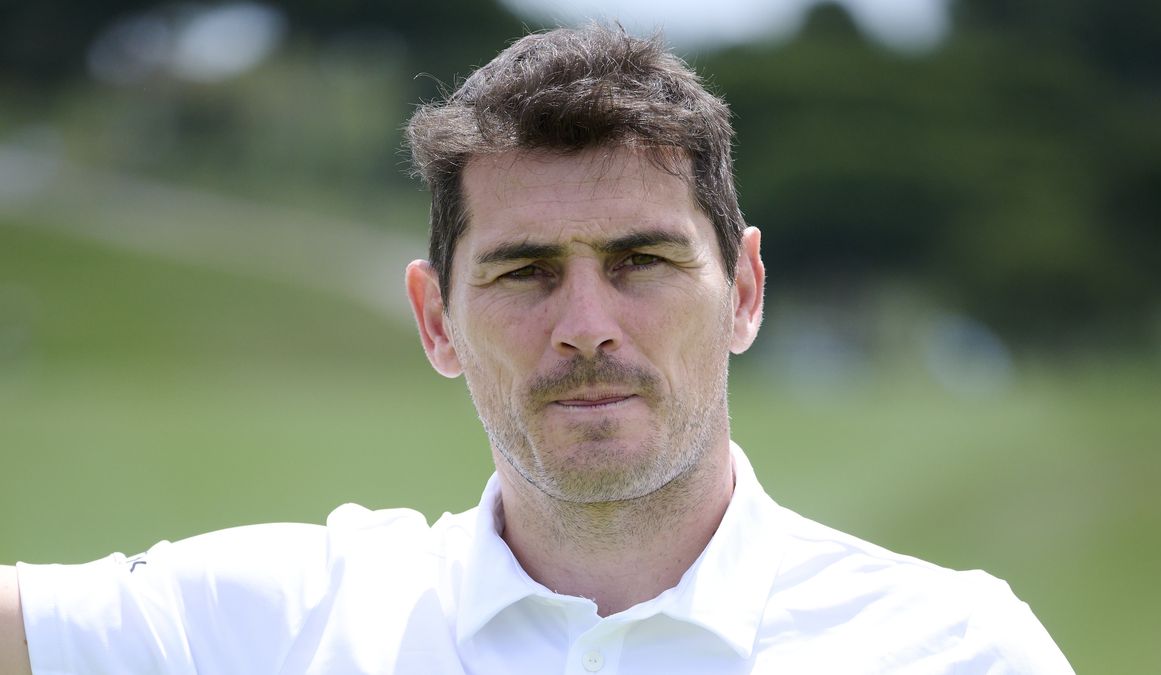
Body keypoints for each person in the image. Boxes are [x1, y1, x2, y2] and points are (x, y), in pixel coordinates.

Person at [0, 23, 1074, 674]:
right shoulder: (284, 620)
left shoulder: (958, 648)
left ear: (745, 291)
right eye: (525, 272)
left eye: (642, 260)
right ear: (435, 321)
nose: (587, 323)